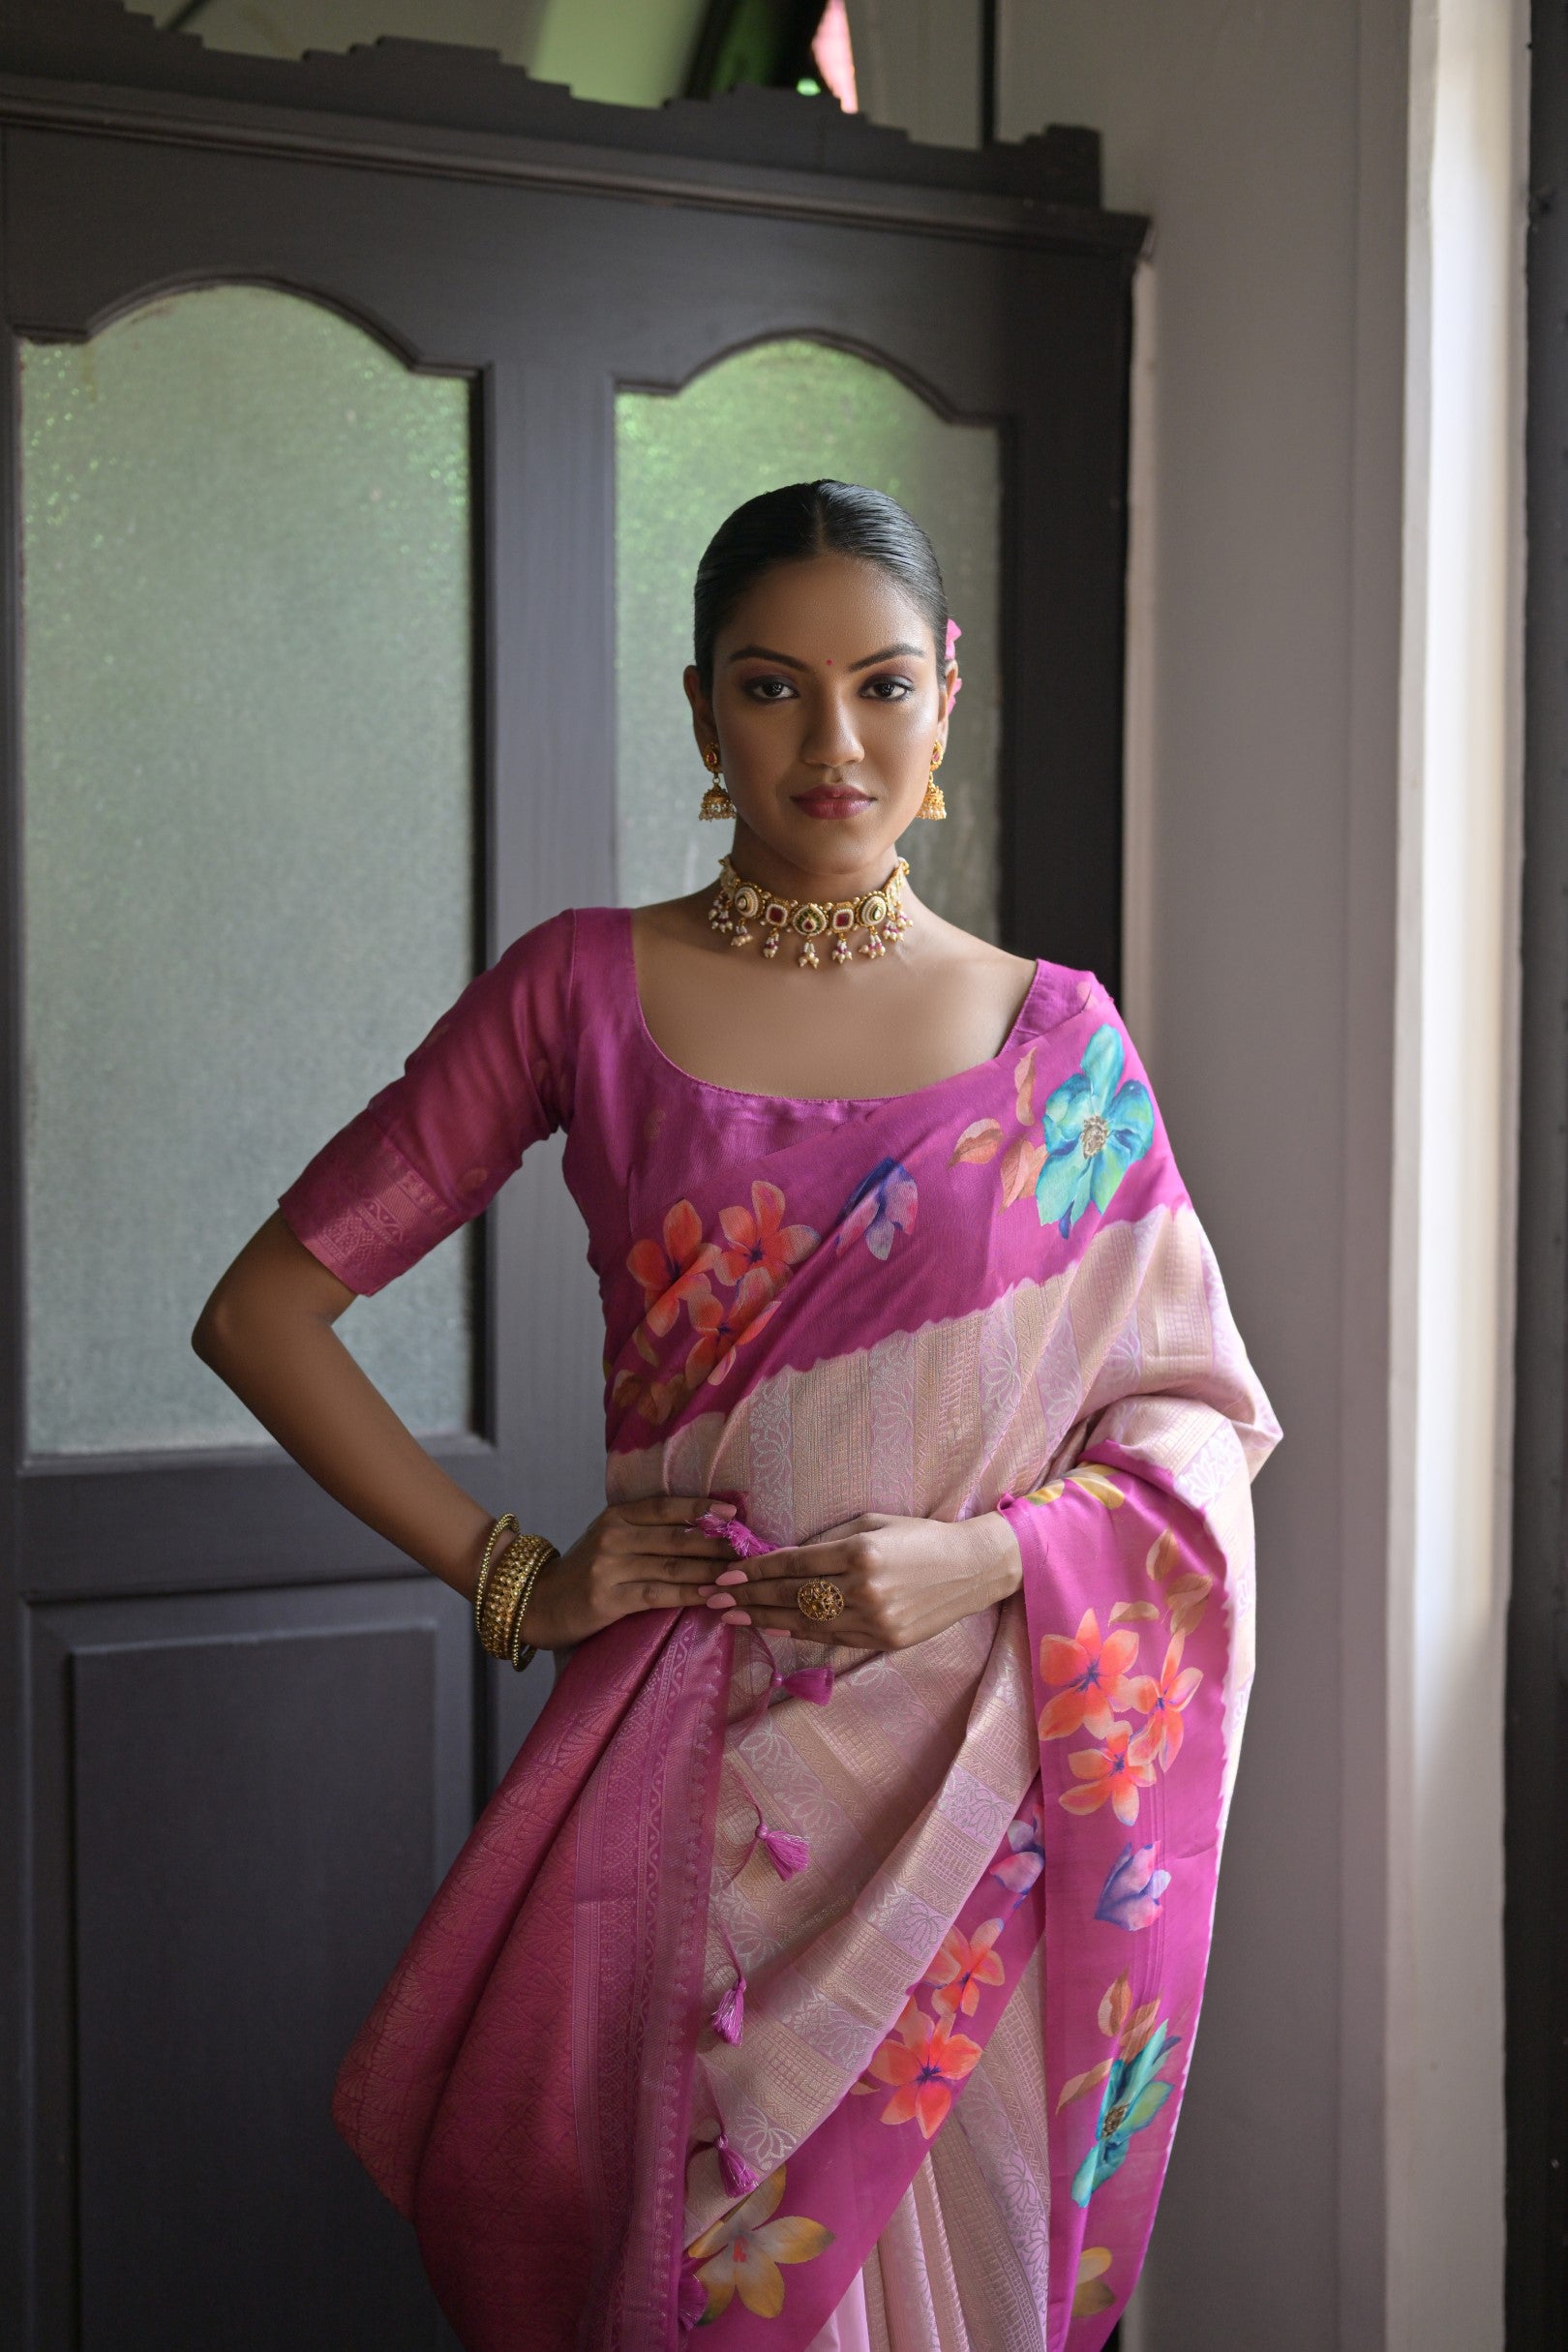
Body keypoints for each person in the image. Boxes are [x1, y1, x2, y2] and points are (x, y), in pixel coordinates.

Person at [194, 480, 1279, 2352]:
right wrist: (516, 1577)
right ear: (703, 712)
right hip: (690, 1804)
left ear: (947, 696)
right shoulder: (580, 990)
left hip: (971, 1806)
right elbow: (261, 1313)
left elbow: (1194, 1432)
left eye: (881, 686)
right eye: (774, 688)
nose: (834, 742)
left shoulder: (1061, 1047)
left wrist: (981, 1559)